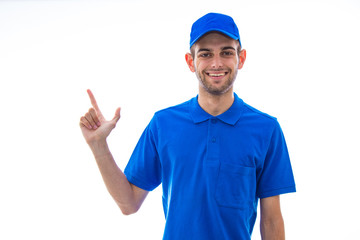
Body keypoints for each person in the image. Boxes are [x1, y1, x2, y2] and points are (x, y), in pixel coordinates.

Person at [80, 12, 296, 240]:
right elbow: (129, 203)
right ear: (190, 62)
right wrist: (98, 145)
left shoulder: (266, 129)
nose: (216, 63)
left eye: (226, 52)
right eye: (205, 54)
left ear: (240, 59)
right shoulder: (163, 124)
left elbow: (271, 221)